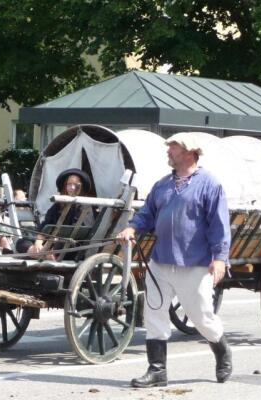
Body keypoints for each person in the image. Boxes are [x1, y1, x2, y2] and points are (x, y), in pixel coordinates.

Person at [116, 132, 232, 387]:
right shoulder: (162, 185)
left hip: (195, 263)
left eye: (174, 148)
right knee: (154, 312)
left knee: (201, 316)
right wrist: (133, 228)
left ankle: (222, 351)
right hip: (160, 261)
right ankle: (157, 371)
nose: (168, 152)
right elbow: (147, 214)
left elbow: (219, 225)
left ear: (190, 152)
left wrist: (220, 258)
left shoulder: (209, 184)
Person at [20, 168, 94, 258]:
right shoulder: (58, 205)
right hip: (51, 242)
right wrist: (38, 242)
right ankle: (38, 254)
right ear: (65, 186)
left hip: (70, 246)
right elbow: (45, 224)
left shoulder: (85, 206)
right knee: (22, 241)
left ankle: (42, 255)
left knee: (63, 245)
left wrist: (55, 240)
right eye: (69, 184)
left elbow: (80, 233)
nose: (72, 188)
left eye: (75, 184)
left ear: (81, 186)